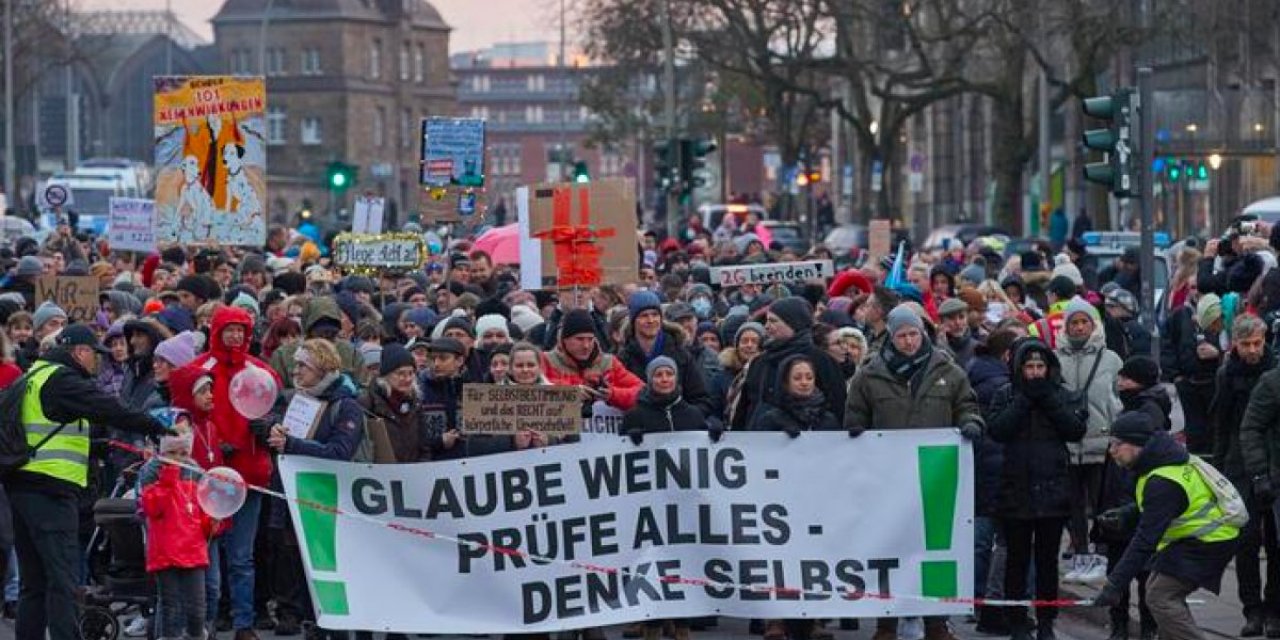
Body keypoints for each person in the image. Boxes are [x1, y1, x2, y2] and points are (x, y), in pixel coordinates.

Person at [7, 325, 168, 640]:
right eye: (95, 354)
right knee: (62, 581)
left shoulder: (31, 377)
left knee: (34, 583)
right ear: (79, 352)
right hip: (50, 491)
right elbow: (107, 407)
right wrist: (155, 425)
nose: (98, 362)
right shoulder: (64, 379)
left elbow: (44, 430)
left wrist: (98, 447)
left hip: (23, 487)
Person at [845, 306, 982, 640]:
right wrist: (856, 433)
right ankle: (886, 623)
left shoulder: (947, 370)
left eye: (914, 334)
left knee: (934, 548)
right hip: (886, 479)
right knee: (890, 547)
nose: (908, 341)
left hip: (934, 476)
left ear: (923, 333)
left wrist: (969, 422)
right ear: (891, 337)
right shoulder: (870, 374)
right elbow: (854, 415)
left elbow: (967, 404)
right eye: (902, 335)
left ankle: (936, 621)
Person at [177, 306, 281, 638]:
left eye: (241, 329)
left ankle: (243, 623)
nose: (235, 335)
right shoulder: (199, 369)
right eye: (229, 329)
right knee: (206, 553)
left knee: (241, 556)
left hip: (250, 475)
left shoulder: (261, 371)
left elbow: (278, 412)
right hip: (209, 477)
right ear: (217, 331)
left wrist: (266, 428)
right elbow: (183, 408)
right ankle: (205, 621)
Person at [1095, 413, 1241, 640]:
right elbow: (1166, 505)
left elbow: (1144, 541)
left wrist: (1114, 585)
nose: (1111, 450)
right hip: (1198, 537)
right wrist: (1127, 513)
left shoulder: (1162, 481)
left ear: (1138, 444)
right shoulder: (1162, 461)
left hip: (1209, 540)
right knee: (1157, 589)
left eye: (1117, 444)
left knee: (1160, 597)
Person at [987, 339, 1086, 640]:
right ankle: (1017, 620)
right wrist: (1024, 400)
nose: (1034, 372)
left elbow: (1075, 430)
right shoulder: (1006, 394)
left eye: (1039, 366)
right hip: (1015, 489)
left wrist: (1048, 400)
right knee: (1016, 560)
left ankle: (1046, 621)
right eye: (1029, 367)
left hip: (1053, 489)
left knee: (1047, 562)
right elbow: (998, 430)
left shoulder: (1062, 394)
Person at [267, 339, 365, 638]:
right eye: (295, 365)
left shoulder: (345, 405)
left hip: (329, 506)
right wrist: (275, 431)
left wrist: (293, 444)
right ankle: (312, 623)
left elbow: (340, 452)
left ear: (322, 368)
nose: (295, 371)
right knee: (300, 569)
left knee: (329, 572)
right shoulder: (298, 400)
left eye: (302, 366)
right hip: (296, 501)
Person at [1212, 314, 1280, 637]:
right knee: (1247, 541)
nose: (1252, 350)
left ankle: (1273, 609)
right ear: (1235, 344)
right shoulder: (1227, 375)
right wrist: (1219, 470)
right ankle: (1251, 608)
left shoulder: (1273, 371)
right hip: (1239, 467)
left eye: (1257, 343)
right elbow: (1222, 425)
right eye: (1246, 344)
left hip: (1273, 464)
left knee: (1276, 544)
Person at [1055, 297, 1123, 584]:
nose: (1080, 327)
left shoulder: (1111, 359)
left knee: (1101, 504)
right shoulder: (1055, 359)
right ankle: (1080, 555)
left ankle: (1102, 555)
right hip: (1068, 445)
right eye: (1074, 322)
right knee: (1072, 506)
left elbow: (1117, 400)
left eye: (1085, 322)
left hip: (1101, 442)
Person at [138, 413, 217, 640]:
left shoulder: (195, 473)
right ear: (162, 452)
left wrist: (211, 523)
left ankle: (197, 635)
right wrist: (168, 478)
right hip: (165, 552)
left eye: (183, 453)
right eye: (172, 453)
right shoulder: (152, 473)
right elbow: (153, 508)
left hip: (192, 550)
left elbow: (201, 511)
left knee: (196, 609)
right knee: (170, 608)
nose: (178, 459)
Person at [732, 297, 846, 431]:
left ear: (793, 323)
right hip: (759, 445)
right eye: (767, 321)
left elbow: (838, 407)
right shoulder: (760, 362)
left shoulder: (822, 361)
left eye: (773, 321)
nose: (767, 326)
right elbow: (745, 408)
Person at [358, 343, 435, 464]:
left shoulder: (416, 403)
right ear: (386, 375)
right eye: (401, 373)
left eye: (411, 373)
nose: (407, 379)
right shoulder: (368, 404)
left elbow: (424, 447)